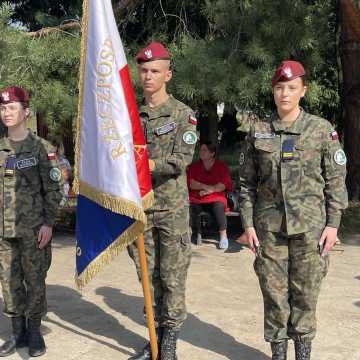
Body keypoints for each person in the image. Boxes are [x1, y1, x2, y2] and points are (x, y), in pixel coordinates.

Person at [238, 61, 348, 360]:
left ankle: (302, 354)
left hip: (311, 230)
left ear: (303, 91)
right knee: (274, 297)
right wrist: (247, 225)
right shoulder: (259, 131)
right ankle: (278, 355)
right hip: (269, 231)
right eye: (279, 88)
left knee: (306, 295)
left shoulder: (321, 130)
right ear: (273, 91)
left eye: (291, 88)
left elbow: (335, 181)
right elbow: (246, 183)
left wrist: (333, 225)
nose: (284, 94)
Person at [127, 42, 197, 360]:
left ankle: (169, 345)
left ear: (168, 74)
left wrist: (143, 164)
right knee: (148, 277)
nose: (148, 76)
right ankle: (154, 337)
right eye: (143, 70)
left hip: (171, 210)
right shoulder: (128, 117)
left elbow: (180, 160)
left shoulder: (183, 115)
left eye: (155, 70)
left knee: (172, 277)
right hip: (139, 209)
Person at [0, 86, 62, 357]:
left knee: (35, 281)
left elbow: (54, 190)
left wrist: (49, 223)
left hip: (34, 229)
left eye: (12, 108)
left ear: (26, 112)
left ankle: (35, 331)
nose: (6, 113)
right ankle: (17, 333)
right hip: (4, 229)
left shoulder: (41, 149)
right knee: (8, 281)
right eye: (2, 108)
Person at [187, 141, 233, 249]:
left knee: (218, 205)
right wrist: (206, 187)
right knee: (191, 206)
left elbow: (224, 184)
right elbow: (191, 183)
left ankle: (223, 236)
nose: (201, 152)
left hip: (215, 196)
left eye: (204, 150)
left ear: (212, 153)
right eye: (201, 150)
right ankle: (194, 233)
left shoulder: (221, 166)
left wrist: (210, 190)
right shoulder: (194, 167)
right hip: (198, 196)